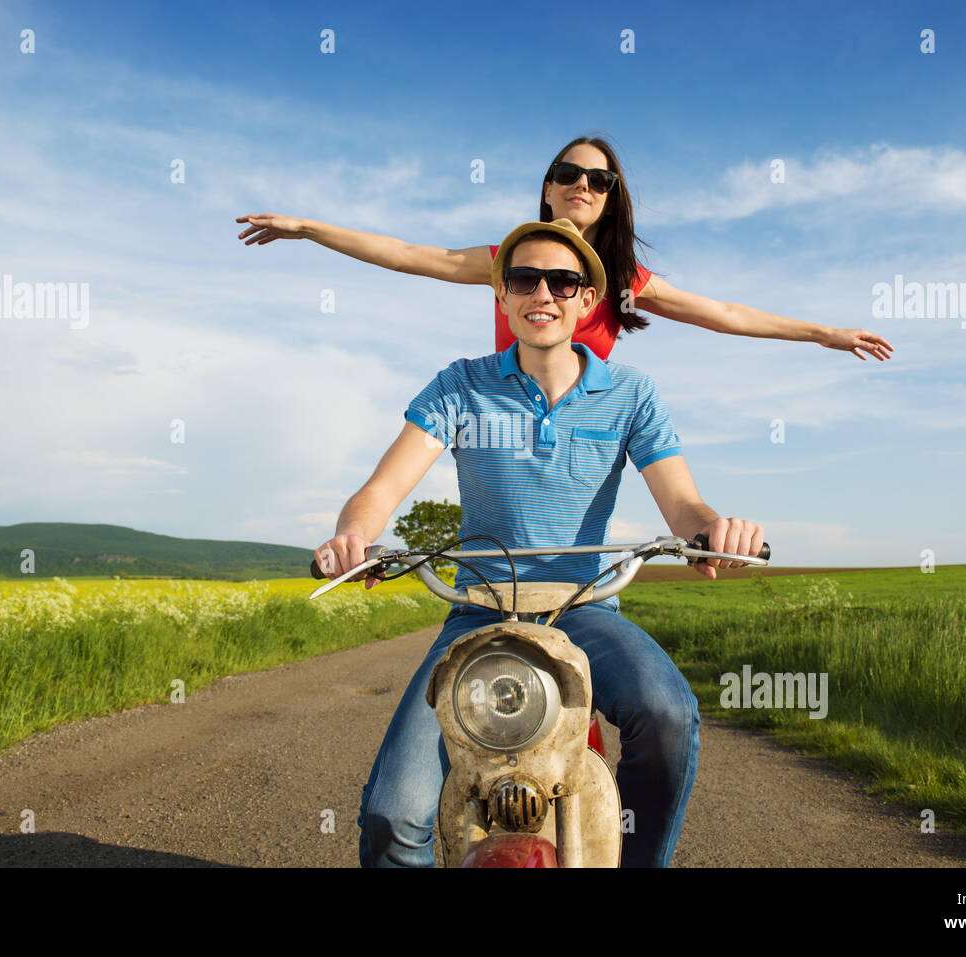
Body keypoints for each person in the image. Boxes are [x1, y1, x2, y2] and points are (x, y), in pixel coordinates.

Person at [313, 218, 765, 867]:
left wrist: (713, 531)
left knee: (666, 714)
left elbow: (684, 503)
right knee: (394, 813)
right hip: (479, 609)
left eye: (563, 280)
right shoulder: (460, 385)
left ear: (587, 300)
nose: (543, 292)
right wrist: (355, 534)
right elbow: (381, 488)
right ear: (502, 296)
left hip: (586, 608)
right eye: (525, 278)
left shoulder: (630, 393)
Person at [238, 135, 893, 362]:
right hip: (506, 422)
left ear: (610, 197)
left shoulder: (624, 277)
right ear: (548, 189)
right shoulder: (507, 258)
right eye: (570, 174)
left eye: (599, 180)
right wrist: (310, 227)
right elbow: (410, 253)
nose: (584, 185)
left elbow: (726, 312)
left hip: (586, 432)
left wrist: (822, 332)